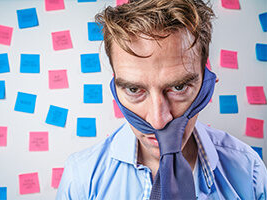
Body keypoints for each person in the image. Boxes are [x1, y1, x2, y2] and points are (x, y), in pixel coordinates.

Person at [56, 0, 267, 199]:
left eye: (179, 87)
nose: (158, 121)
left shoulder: (249, 170)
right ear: (116, 87)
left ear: (207, 84)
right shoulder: (82, 178)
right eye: (133, 89)